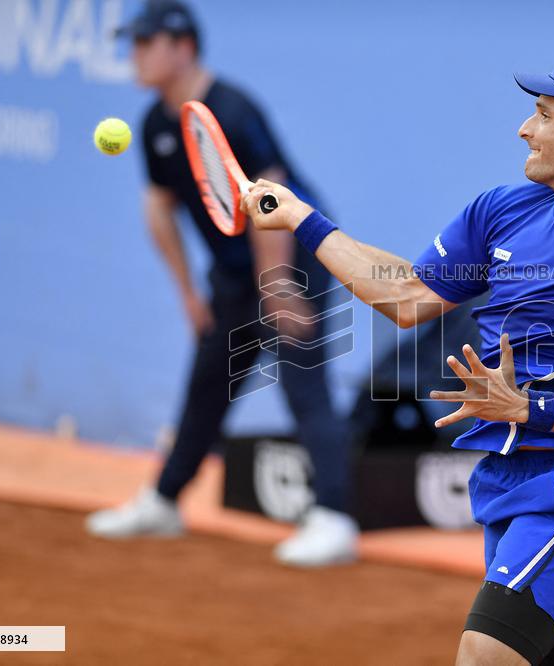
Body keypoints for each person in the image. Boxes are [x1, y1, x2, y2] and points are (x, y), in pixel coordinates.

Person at [238, 56, 554, 665]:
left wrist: (527, 407)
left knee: (483, 654)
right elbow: (408, 296)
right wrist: (302, 221)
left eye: (543, 115)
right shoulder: (503, 211)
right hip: (505, 487)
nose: (524, 129)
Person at [85, 0, 358, 568]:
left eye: (144, 42)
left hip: (293, 260)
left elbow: (271, 198)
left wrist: (278, 285)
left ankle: (334, 518)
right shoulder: (156, 123)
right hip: (234, 276)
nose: (133, 54)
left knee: (304, 388)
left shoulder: (232, 110)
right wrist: (188, 292)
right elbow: (160, 208)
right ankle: (163, 502)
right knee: (207, 384)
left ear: (181, 46)